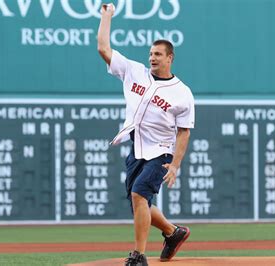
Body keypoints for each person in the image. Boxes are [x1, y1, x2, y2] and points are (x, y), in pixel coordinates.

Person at [97, 3, 195, 266]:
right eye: (151, 53)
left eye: (159, 54)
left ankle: (139, 255)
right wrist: (106, 17)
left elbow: (184, 131)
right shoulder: (135, 72)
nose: (153, 58)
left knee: (140, 194)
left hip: (161, 150)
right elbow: (103, 49)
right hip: (136, 148)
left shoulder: (182, 92)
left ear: (170, 58)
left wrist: (175, 164)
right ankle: (173, 233)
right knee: (137, 202)